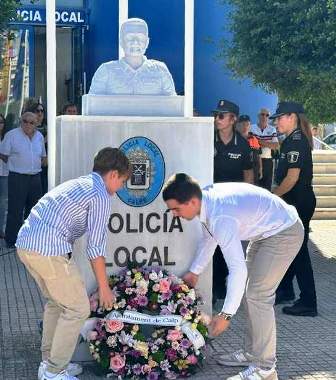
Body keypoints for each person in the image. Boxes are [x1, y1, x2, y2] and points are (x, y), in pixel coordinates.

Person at [162, 173, 304, 380]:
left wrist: (226, 315)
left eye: (176, 209)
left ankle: (265, 369)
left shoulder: (221, 216)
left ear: (192, 201)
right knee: (249, 295)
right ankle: (252, 353)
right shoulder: (206, 201)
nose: (175, 214)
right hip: (265, 232)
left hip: (284, 231)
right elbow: (209, 238)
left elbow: (237, 270)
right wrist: (195, 271)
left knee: (258, 296)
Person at [16, 147, 130, 380]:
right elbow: (95, 248)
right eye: (124, 181)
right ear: (114, 175)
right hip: (48, 249)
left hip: (26, 244)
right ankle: (54, 372)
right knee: (78, 308)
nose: (122, 188)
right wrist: (104, 287)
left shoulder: (83, 183)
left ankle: (50, 364)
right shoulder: (99, 194)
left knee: (57, 304)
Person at [271, 102, 317, 317]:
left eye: (280, 117)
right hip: (294, 202)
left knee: (299, 252)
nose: (276, 122)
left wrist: (272, 197)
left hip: (299, 202)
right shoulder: (290, 140)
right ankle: (286, 290)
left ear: (292, 117)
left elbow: (292, 178)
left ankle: (308, 301)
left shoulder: (296, 141)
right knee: (291, 248)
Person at [212, 100, 253, 306]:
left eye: (222, 115)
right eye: (216, 115)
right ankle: (211, 287)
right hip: (210, 203)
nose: (217, 119)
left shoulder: (243, 144)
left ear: (233, 119)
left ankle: (226, 288)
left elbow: (248, 175)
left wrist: (246, 204)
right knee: (210, 245)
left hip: (233, 205)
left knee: (229, 246)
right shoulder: (208, 140)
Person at [89, 18, 176, 95]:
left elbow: (173, 105)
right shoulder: (106, 71)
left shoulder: (160, 71)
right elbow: (92, 105)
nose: (135, 42)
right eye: (130, 38)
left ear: (147, 42)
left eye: (140, 38)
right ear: (121, 41)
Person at [0, 112, 47, 248]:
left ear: (36, 124)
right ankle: (11, 240)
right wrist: (15, 163)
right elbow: (3, 154)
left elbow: (43, 156)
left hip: (35, 177)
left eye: (31, 122)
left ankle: (29, 240)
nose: (27, 124)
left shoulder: (39, 137)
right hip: (17, 177)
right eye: (25, 121)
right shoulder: (12, 135)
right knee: (15, 210)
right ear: (21, 121)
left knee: (33, 210)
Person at [250, 108, 279, 191]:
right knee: (255, 187)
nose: (264, 117)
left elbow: (276, 146)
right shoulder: (251, 128)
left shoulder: (272, 129)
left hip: (268, 162)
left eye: (267, 115)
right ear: (258, 116)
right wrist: (268, 144)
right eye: (262, 114)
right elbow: (250, 144)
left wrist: (257, 141)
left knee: (267, 188)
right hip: (254, 161)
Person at [236, 114, 262, 185]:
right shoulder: (234, 139)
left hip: (254, 171)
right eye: (243, 124)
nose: (245, 126)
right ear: (238, 125)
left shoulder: (254, 138)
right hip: (239, 172)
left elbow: (258, 155)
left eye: (247, 124)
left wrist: (260, 169)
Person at [0, 114, 9, 238]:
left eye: (1, 122)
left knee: (2, 203)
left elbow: (8, 158)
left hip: (5, 174)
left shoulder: (8, 138)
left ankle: (1, 229)